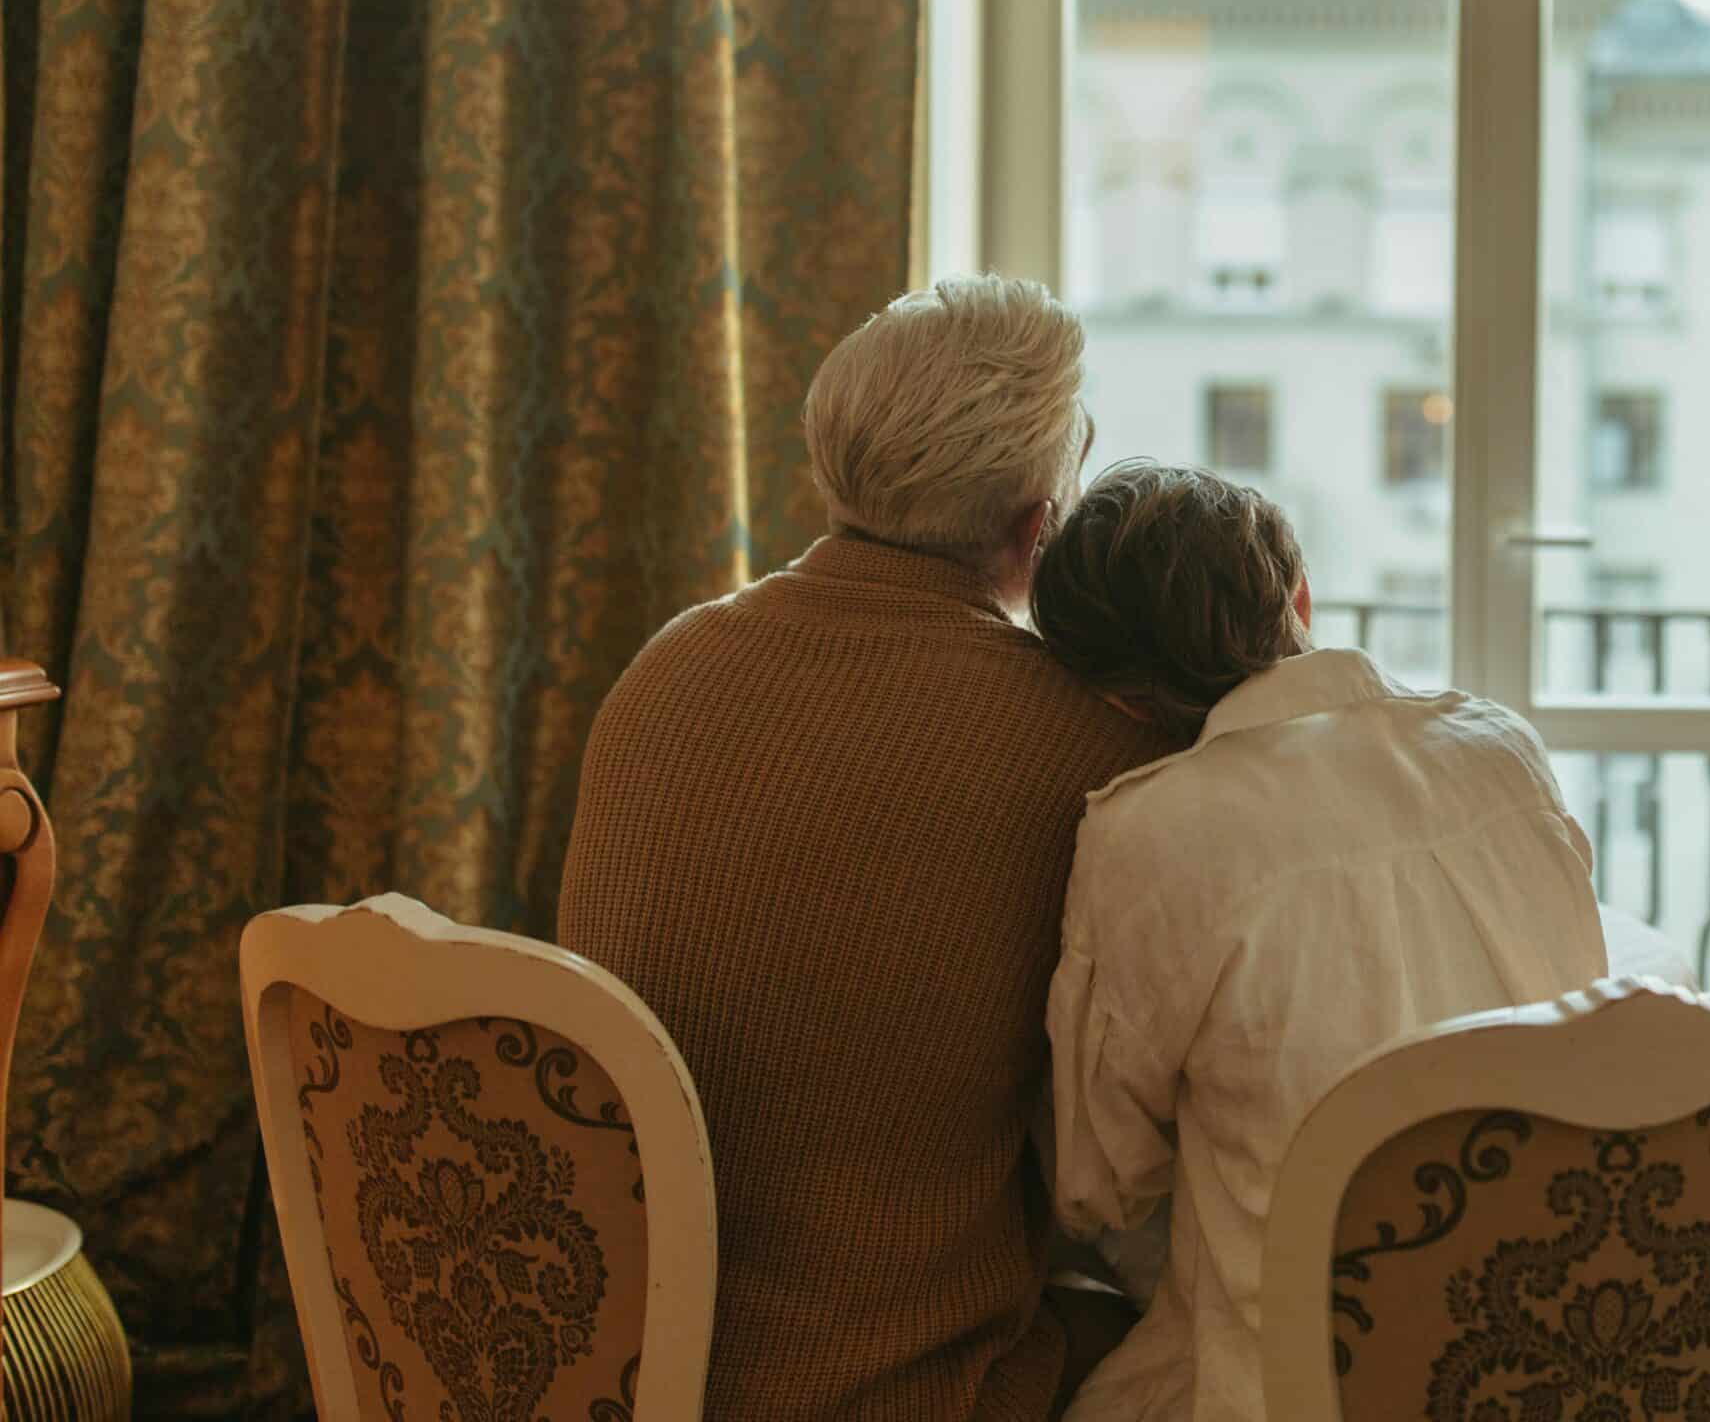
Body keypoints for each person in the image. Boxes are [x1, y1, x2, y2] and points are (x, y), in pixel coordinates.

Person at [560, 278, 1172, 1421]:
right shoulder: (1082, 743)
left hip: (619, 1367)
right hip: (907, 1389)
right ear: (1040, 524)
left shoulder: (668, 669)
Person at [1031, 463, 1609, 1422]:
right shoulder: (1502, 747)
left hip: (1299, 1381)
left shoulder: (1152, 830)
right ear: (1299, 593)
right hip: (1544, 1339)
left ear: (1122, 702)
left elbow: (1100, 1188)